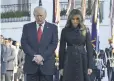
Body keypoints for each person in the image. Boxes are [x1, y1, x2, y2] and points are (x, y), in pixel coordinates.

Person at [21, 6, 58, 81]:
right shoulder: (27, 27)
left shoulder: (53, 28)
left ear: (45, 15)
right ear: (34, 15)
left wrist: (42, 57)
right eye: (37, 15)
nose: (39, 17)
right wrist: (34, 56)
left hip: (47, 66)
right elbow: (24, 43)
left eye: (41, 15)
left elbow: (53, 44)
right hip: (31, 66)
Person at [59, 9, 93, 81]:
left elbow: (89, 48)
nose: (75, 21)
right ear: (70, 19)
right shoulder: (65, 31)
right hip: (69, 60)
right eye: (73, 19)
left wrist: (90, 66)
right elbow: (61, 50)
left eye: (77, 19)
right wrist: (61, 67)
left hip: (82, 60)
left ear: (80, 19)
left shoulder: (85, 30)